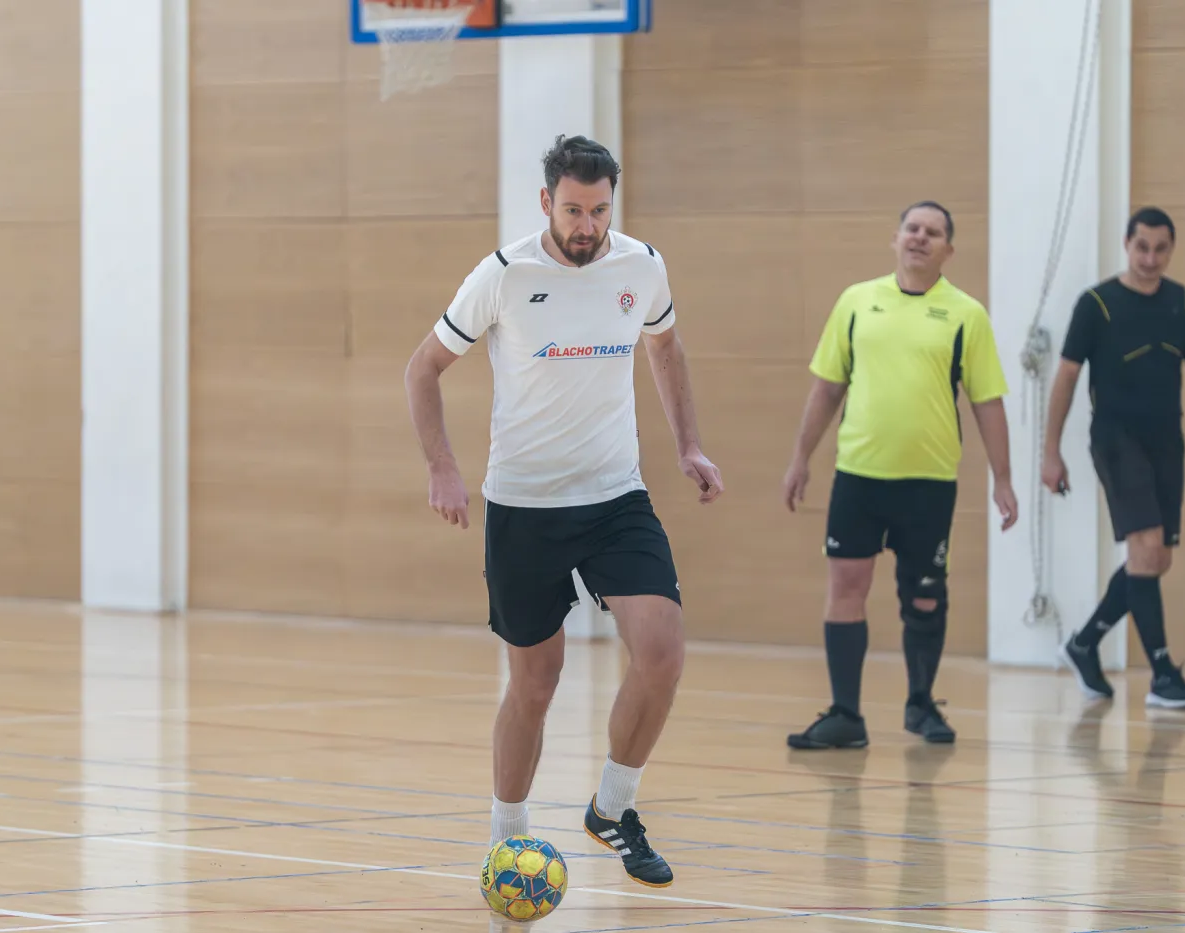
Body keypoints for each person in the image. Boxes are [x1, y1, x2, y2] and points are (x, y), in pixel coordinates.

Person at [403, 134, 723, 889]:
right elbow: (423, 368)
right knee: (536, 683)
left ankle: (613, 807)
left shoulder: (641, 265)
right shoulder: (504, 274)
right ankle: (506, 838)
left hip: (615, 497)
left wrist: (688, 445)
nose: (588, 226)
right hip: (526, 506)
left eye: (600, 210)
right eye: (574, 211)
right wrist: (442, 466)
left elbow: (665, 347)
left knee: (662, 651)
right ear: (547, 201)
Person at [781, 201, 1018, 749]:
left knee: (925, 595)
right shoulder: (856, 302)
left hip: (928, 482)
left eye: (933, 232)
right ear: (895, 239)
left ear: (948, 250)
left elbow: (987, 402)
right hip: (858, 477)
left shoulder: (966, 315)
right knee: (846, 587)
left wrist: (1003, 479)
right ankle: (846, 715)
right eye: (912, 228)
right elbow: (827, 388)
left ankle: (920, 705)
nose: (920, 237)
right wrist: (800, 458)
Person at [1044, 206, 1185, 709]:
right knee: (1147, 546)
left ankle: (1083, 644)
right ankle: (1162, 675)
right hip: (1116, 437)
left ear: (1171, 249)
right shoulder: (1097, 304)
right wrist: (1051, 452)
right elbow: (1066, 376)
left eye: (1160, 249)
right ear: (1127, 245)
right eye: (1142, 248)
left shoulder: (1182, 301)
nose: (1151, 259)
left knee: (1155, 558)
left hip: (1166, 440)